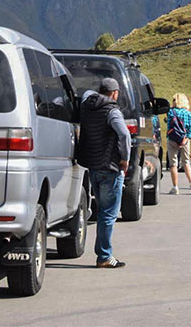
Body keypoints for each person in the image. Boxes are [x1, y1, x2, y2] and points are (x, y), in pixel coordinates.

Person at [77, 78, 130, 268]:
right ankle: (104, 256)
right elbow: (124, 134)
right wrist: (125, 159)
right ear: (115, 93)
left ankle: (103, 254)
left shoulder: (87, 107)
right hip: (110, 168)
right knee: (109, 214)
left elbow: (85, 96)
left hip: (93, 166)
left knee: (101, 212)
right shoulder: (112, 111)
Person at [167, 93, 191, 194]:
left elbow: (169, 126)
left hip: (172, 139)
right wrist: (186, 139)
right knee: (186, 162)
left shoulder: (171, 112)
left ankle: (175, 187)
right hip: (184, 139)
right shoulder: (188, 113)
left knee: (173, 164)